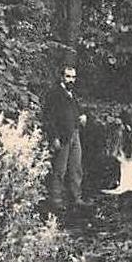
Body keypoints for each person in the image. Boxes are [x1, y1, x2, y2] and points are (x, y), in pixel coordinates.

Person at [44, 65, 88, 211]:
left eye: (73, 77)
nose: (71, 80)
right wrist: (54, 137)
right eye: (68, 76)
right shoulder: (54, 94)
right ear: (61, 77)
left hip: (75, 133)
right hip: (62, 135)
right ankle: (56, 200)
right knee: (59, 169)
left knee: (76, 167)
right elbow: (49, 118)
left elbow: (73, 113)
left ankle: (76, 198)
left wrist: (81, 117)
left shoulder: (71, 94)